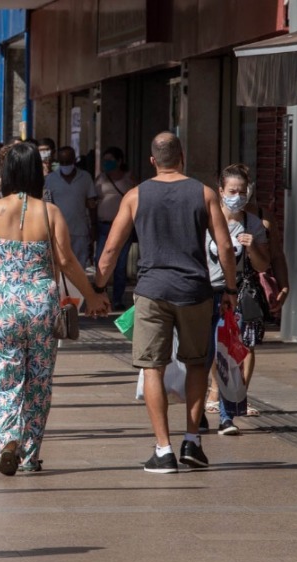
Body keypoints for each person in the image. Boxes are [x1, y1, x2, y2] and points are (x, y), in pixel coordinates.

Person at [96, 132, 237, 474]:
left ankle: (163, 450)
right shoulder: (204, 193)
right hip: (195, 292)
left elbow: (112, 249)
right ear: (182, 156)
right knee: (197, 365)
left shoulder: (135, 195)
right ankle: (192, 441)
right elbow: (225, 246)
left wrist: (97, 288)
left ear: (152, 161)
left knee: (152, 368)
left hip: (152, 292)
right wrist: (230, 289)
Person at [0, 142, 108, 475]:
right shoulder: (50, 212)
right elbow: (67, 261)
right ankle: (29, 455)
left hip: (2, 303)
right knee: (38, 380)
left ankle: (7, 440)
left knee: (2, 376)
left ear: (7, 173)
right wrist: (92, 295)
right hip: (42, 303)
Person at [203, 164, 270, 435]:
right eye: (232, 191)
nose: (238, 196)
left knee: (231, 353)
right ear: (220, 191)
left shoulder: (253, 224)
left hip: (236, 294)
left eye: (242, 191)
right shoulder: (205, 219)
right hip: (205, 293)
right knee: (205, 352)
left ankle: (227, 416)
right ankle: (200, 412)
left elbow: (263, 265)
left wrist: (252, 247)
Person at [94, 146, 137, 310]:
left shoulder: (128, 179)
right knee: (101, 262)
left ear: (119, 161)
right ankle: (101, 295)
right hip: (103, 226)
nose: (106, 163)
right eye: (105, 160)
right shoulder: (100, 179)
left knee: (120, 265)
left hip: (123, 228)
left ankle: (117, 299)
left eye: (110, 160)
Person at [45, 146, 97, 268]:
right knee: (60, 266)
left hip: (80, 231)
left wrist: (94, 226)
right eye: (62, 162)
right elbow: (47, 205)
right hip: (57, 231)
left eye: (67, 162)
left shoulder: (85, 177)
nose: (65, 165)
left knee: (79, 267)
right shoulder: (50, 179)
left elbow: (91, 204)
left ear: (74, 160)